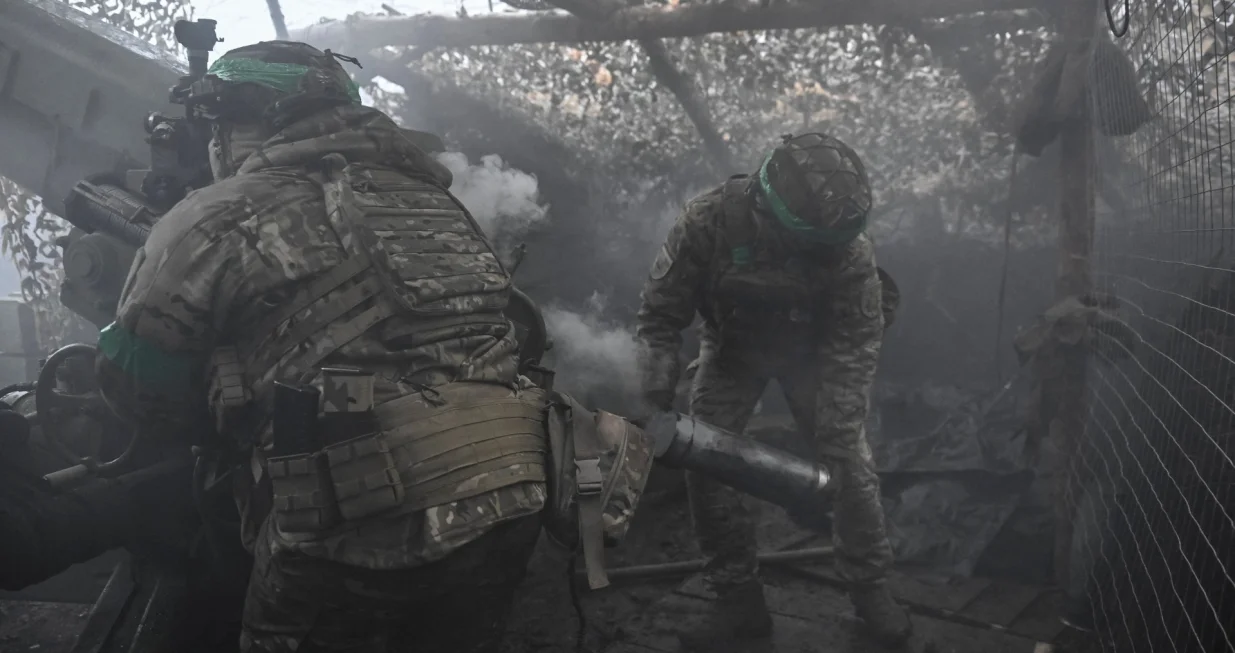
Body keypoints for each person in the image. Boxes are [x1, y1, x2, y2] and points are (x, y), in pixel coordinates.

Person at [94, 41, 550, 653]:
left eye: (217, 126)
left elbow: (133, 386)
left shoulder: (215, 214)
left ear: (241, 125)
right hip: (509, 499)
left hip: (356, 533)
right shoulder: (439, 201)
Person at [635, 133, 912, 649]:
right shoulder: (707, 222)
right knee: (705, 459)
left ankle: (872, 589)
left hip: (815, 353)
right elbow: (658, 319)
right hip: (733, 350)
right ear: (766, 207)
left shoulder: (849, 247)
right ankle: (737, 600)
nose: (821, 253)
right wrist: (656, 398)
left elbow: (855, 340)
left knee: (849, 461)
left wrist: (838, 423)